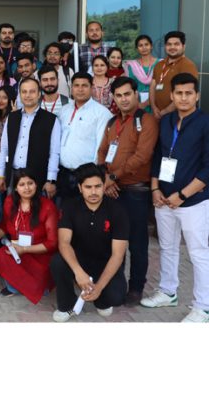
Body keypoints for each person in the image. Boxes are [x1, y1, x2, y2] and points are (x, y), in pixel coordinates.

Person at [142, 73, 209, 322]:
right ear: (171, 95)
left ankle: (203, 307)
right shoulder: (167, 121)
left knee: (198, 252)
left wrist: (182, 195)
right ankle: (168, 291)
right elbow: (159, 157)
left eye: (188, 93)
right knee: (167, 248)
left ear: (197, 95)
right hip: (163, 199)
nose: (183, 97)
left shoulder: (205, 122)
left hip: (193, 200)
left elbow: (207, 168)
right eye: (178, 93)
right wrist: (155, 189)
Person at [97, 76, 158, 305]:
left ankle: (136, 287)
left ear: (136, 94)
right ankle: (116, 285)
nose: (123, 99)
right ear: (114, 98)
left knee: (137, 242)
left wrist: (112, 177)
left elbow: (142, 156)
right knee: (113, 241)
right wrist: (106, 177)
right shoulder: (112, 122)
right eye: (119, 95)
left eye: (127, 94)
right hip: (113, 191)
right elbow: (102, 152)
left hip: (135, 192)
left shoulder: (146, 120)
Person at [50, 163, 129, 322]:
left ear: (103, 185)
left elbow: (118, 255)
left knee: (116, 297)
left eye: (98, 186)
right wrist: (79, 272)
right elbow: (64, 243)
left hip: (105, 262)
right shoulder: (70, 206)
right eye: (88, 187)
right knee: (57, 262)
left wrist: (99, 288)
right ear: (80, 188)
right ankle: (67, 305)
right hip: (79, 260)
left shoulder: (118, 210)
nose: (93, 192)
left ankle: (100, 299)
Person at [0, 169, 58, 302]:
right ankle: (18, 287)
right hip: (18, 250)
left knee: (40, 287)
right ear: (15, 188)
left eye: (30, 183)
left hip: (40, 253)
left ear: (36, 185)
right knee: (0, 255)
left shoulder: (48, 206)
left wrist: (25, 249)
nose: (26, 188)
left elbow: (52, 243)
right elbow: (4, 226)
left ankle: (32, 286)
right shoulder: (10, 202)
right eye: (21, 184)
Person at [0, 78, 60, 197]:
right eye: (24, 92)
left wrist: (51, 180)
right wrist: (1, 174)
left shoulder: (51, 119)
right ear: (20, 94)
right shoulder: (12, 117)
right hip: (13, 176)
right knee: (13, 212)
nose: (28, 95)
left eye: (32, 91)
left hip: (38, 177)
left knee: (37, 213)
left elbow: (54, 153)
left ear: (39, 94)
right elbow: (4, 148)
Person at [57, 72, 112, 199]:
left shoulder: (101, 113)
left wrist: (95, 175)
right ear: (71, 88)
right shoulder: (64, 110)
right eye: (76, 85)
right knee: (65, 214)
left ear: (91, 88)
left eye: (84, 86)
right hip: (63, 173)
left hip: (86, 176)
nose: (80, 89)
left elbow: (102, 146)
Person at [150, 30, 199, 119]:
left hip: (178, 116)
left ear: (183, 46)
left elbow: (186, 94)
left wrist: (165, 111)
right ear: (165, 46)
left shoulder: (188, 65)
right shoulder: (159, 65)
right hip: (158, 115)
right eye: (169, 44)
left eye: (176, 44)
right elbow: (153, 86)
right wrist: (154, 108)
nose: (172, 47)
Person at [125, 34, 160, 113]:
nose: (144, 48)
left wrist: (149, 101)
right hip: (137, 104)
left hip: (157, 103)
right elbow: (130, 86)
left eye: (146, 44)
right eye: (140, 45)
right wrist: (138, 103)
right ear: (137, 48)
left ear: (151, 46)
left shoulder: (160, 64)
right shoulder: (132, 65)